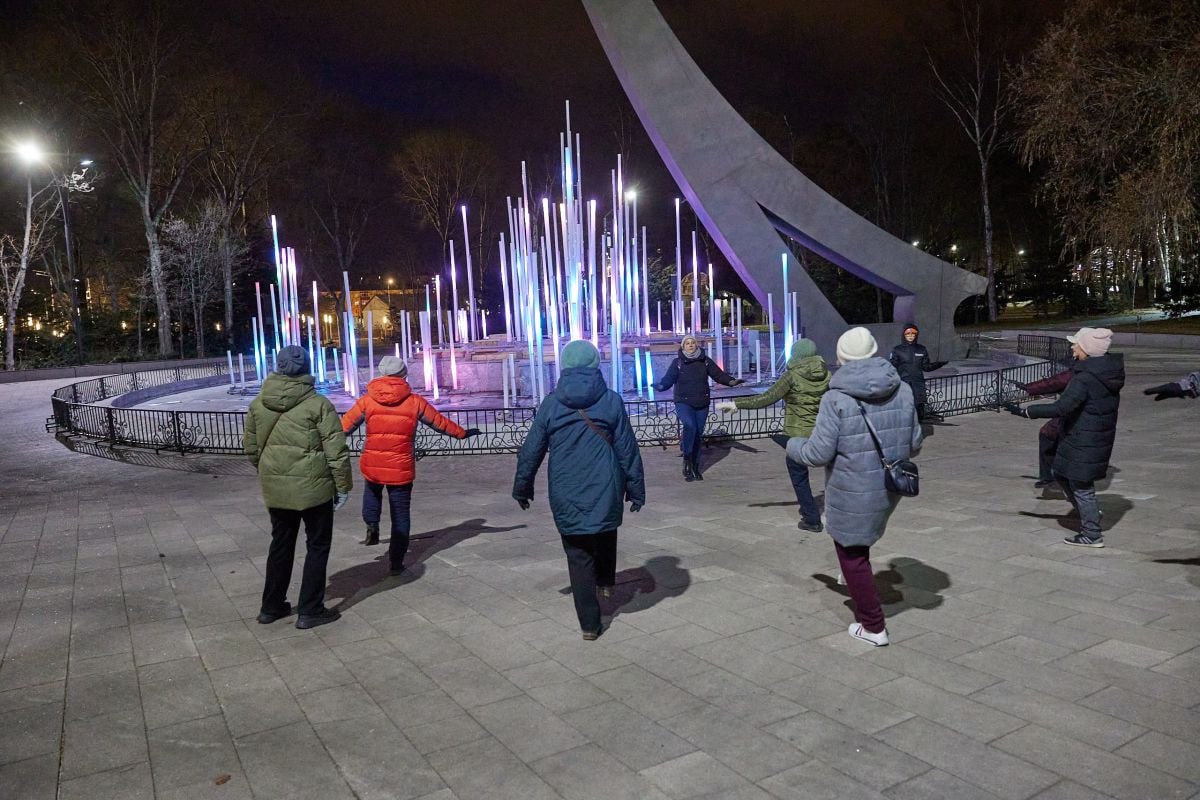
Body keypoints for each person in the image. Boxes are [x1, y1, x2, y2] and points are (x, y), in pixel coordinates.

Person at [786, 327, 922, 647]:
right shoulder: (902, 389)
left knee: (851, 554)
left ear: (841, 358)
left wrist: (792, 444)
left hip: (852, 488)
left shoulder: (836, 398)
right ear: (874, 352)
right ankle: (854, 581)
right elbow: (915, 442)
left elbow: (817, 454)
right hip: (888, 485)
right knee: (861, 538)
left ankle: (873, 626)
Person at [513, 340, 645, 640]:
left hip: (566, 488)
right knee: (605, 529)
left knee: (578, 554)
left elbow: (531, 450)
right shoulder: (610, 401)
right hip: (606, 484)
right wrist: (636, 488)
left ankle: (589, 624)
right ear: (596, 364)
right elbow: (627, 448)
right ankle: (606, 581)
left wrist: (523, 486)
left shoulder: (550, 404)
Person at [244, 345, 352, 630]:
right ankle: (310, 609)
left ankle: (271, 607)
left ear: (277, 367)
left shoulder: (258, 403)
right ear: (306, 368)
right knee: (317, 546)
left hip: (276, 489)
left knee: (280, 544)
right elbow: (336, 451)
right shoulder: (318, 404)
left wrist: (271, 473)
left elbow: (252, 449)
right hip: (314, 489)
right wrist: (343, 486)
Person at [341, 355, 479, 576]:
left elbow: (344, 426)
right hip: (400, 465)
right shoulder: (414, 401)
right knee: (401, 514)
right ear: (404, 375)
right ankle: (396, 563)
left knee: (372, 492)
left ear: (381, 374)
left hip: (373, 462)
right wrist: (462, 434)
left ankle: (372, 525)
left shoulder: (367, 400)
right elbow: (439, 422)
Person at [1004, 327, 1125, 548]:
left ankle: (1092, 533)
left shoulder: (1086, 378)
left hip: (1085, 438)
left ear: (1087, 349)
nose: (1072, 347)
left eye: (1076, 344)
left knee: (1081, 486)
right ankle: (1088, 513)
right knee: (1060, 472)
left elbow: (1061, 407)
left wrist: (1027, 411)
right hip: (1088, 435)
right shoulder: (1103, 371)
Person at [716, 338, 830, 531]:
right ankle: (839, 511)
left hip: (796, 435)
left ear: (796, 355)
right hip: (821, 433)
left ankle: (812, 518)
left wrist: (737, 404)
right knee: (833, 473)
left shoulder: (791, 376)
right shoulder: (826, 374)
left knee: (799, 476)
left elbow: (767, 398)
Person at [655, 334, 744, 481]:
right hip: (683, 402)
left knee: (698, 433)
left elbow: (718, 375)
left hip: (702, 402)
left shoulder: (705, 361)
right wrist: (661, 386)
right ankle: (687, 460)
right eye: (687, 343)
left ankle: (696, 467)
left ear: (696, 345)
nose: (690, 345)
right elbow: (668, 379)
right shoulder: (678, 362)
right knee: (690, 426)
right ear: (683, 346)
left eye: (692, 343)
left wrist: (732, 382)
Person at [1014, 370, 1073, 488]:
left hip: (1077, 416)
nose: (1074, 352)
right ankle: (1053, 477)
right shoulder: (1101, 368)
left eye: (1076, 350)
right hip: (1093, 418)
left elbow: (1056, 382)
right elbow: (1056, 383)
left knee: (1048, 434)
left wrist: (1027, 411)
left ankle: (1051, 478)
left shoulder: (1083, 370)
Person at [888, 324, 940, 421]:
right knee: (905, 409)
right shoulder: (897, 349)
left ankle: (918, 428)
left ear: (916, 335)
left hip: (918, 384)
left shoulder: (921, 349)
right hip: (904, 383)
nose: (910, 336)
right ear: (904, 335)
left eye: (913, 333)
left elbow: (926, 367)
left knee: (918, 409)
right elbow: (891, 366)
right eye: (908, 334)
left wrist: (939, 364)